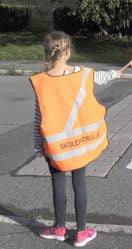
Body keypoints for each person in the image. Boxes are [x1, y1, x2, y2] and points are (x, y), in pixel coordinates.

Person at [31, 31, 121, 247]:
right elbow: (100, 76)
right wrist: (115, 74)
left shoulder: (41, 81)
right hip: (79, 143)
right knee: (80, 185)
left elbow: (38, 118)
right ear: (68, 51)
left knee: (58, 184)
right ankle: (81, 232)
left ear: (47, 52)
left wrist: (38, 147)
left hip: (55, 145)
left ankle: (59, 229)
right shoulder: (83, 73)